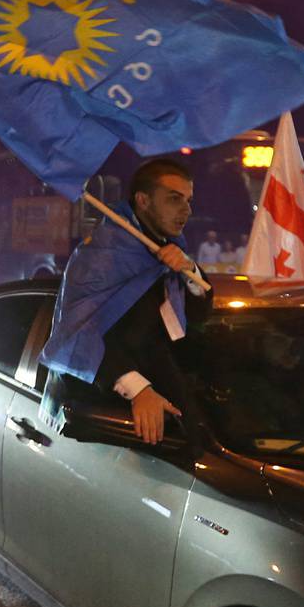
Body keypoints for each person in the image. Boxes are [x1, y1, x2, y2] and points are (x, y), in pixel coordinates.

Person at [90, 157, 214, 444]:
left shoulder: (167, 250)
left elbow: (194, 319)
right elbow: (82, 334)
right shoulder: (101, 257)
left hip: (178, 410)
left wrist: (188, 270)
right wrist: (138, 389)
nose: (186, 209)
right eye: (174, 199)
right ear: (143, 201)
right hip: (120, 423)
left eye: (188, 199)